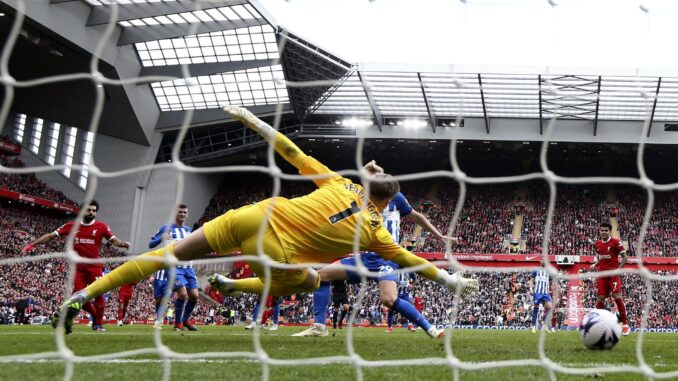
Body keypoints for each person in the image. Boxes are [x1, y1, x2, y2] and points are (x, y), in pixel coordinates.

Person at [53, 106, 478, 333]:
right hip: (273, 251)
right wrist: (453, 280)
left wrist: (254, 122)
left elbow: (292, 153)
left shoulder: (340, 183)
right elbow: (411, 260)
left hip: (254, 213)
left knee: (167, 253)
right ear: (389, 203)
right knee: (314, 279)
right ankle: (232, 285)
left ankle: (85, 293)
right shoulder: (376, 232)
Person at [292, 183, 457, 338]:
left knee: (389, 299)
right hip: (366, 257)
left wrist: (439, 235)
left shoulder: (395, 197)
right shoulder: (361, 197)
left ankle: (431, 329)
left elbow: (416, 216)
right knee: (322, 275)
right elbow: (344, 215)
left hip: (387, 258)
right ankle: (319, 326)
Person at [22, 200, 130, 333]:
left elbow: (114, 240)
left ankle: (99, 325)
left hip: (94, 265)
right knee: (79, 298)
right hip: (78, 267)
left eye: (94, 210)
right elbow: (50, 236)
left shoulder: (101, 226)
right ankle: (96, 316)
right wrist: (32, 244)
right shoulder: (71, 226)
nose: (91, 212)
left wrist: (123, 244)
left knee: (99, 295)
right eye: (89, 210)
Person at [149, 204, 198, 331]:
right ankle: (177, 324)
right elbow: (151, 243)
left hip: (188, 266)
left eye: (184, 212)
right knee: (182, 294)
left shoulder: (188, 230)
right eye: (180, 212)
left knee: (194, 296)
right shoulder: (166, 228)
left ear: (187, 214)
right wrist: (161, 239)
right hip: (173, 267)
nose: (182, 214)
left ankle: (185, 320)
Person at [591, 222, 630, 336]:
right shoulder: (597, 244)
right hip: (602, 275)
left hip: (613, 275)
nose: (603, 232)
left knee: (617, 297)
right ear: (599, 231)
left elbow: (625, 258)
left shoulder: (616, 242)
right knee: (600, 299)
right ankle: (600, 326)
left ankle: (625, 325)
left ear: (609, 231)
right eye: (602, 230)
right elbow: (600, 256)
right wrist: (596, 263)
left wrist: (618, 269)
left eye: (605, 230)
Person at [529, 262, 553, 333]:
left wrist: (551, 290)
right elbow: (532, 280)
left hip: (546, 292)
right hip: (537, 292)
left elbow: (550, 282)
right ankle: (533, 326)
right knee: (536, 307)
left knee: (550, 307)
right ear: (540, 261)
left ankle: (544, 326)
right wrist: (531, 289)